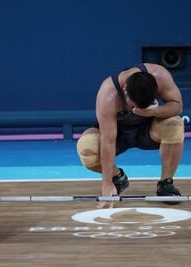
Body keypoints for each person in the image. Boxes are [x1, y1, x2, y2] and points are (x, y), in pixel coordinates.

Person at [77, 63, 184, 208]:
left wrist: (152, 112)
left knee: (175, 125)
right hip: (118, 134)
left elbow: (177, 105)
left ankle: (165, 184)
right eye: (133, 104)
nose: (136, 109)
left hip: (148, 130)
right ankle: (118, 178)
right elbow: (108, 141)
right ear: (125, 90)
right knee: (87, 149)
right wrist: (107, 183)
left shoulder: (160, 75)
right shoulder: (108, 94)